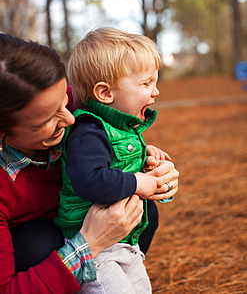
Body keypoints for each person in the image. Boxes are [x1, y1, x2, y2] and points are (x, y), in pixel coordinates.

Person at [0, 33, 179, 294]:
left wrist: (153, 171)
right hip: (50, 249)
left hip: (92, 228)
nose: (70, 119)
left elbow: (116, 142)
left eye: (64, 100)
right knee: (36, 243)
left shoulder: (83, 105)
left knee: (145, 211)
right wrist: (90, 243)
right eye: (46, 120)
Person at [55, 27, 178, 294]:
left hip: (124, 241)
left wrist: (144, 158)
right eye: (146, 84)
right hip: (97, 249)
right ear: (105, 93)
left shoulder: (120, 130)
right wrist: (138, 181)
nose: (155, 92)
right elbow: (91, 181)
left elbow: (114, 161)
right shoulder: (88, 132)